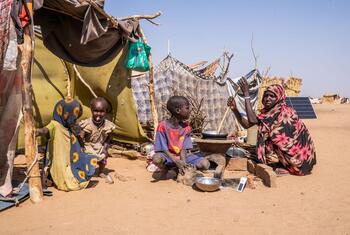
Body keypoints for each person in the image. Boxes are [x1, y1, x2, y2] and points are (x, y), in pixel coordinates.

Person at [227, 78, 316, 176]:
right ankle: (284, 163)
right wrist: (235, 110)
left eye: (272, 96)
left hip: (299, 161)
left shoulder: (284, 112)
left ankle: (289, 166)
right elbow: (248, 125)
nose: (268, 98)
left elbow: (252, 121)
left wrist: (246, 95)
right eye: (266, 96)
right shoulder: (269, 113)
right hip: (295, 158)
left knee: (271, 137)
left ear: (278, 97)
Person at [36, 99, 98, 191]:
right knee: (64, 176)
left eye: (75, 118)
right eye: (73, 118)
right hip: (60, 158)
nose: (74, 121)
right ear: (65, 114)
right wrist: (35, 132)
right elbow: (45, 130)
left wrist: (81, 147)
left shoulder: (71, 126)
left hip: (71, 158)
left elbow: (79, 137)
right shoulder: (55, 125)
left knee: (88, 160)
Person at [152, 96, 210, 179]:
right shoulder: (162, 126)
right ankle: (166, 169)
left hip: (183, 156)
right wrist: (176, 161)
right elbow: (163, 148)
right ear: (178, 110)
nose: (190, 110)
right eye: (187, 108)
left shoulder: (186, 128)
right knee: (157, 159)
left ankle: (176, 170)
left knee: (205, 164)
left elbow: (184, 149)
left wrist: (183, 162)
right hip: (167, 156)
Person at [79, 97, 115, 184]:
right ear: (91, 110)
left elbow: (109, 138)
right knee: (88, 158)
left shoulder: (108, 125)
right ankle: (86, 172)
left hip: (99, 145)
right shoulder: (87, 124)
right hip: (88, 146)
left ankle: (101, 171)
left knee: (103, 156)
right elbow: (81, 137)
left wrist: (105, 148)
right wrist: (81, 148)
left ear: (106, 111)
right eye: (95, 111)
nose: (98, 114)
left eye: (102, 111)